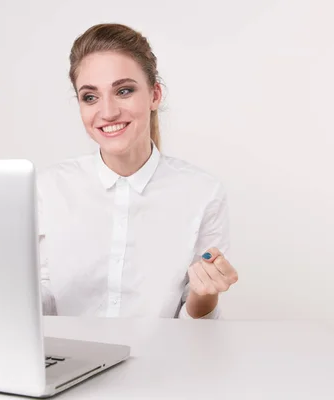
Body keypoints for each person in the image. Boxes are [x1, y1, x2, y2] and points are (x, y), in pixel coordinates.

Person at [36, 23, 238, 319]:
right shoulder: (48, 188)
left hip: (162, 360)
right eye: (90, 97)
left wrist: (205, 294)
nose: (107, 112)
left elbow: (195, 322)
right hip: (71, 360)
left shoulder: (202, 192)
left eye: (124, 90)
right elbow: (43, 303)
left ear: (155, 95)